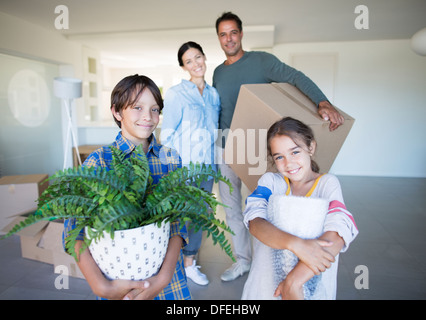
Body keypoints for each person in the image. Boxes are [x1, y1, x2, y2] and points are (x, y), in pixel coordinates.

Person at [212, 11, 345, 282]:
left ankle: (270, 263)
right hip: (225, 148)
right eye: (223, 34)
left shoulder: (261, 61)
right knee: (231, 208)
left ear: (241, 33)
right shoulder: (217, 72)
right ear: (219, 38)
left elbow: (295, 76)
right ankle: (243, 261)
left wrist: (322, 101)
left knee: (265, 207)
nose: (229, 38)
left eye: (233, 32)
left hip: (254, 149)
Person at [63, 74, 191, 300]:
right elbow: (74, 229)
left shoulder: (170, 159)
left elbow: (178, 222)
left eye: (154, 109)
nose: (148, 117)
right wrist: (100, 286)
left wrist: (162, 278)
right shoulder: (99, 162)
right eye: (137, 107)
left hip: (169, 284)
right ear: (117, 111)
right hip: (118, 285)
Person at [241, 117, 358, 299]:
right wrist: (297, 245)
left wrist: (293, 282)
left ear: (311, 147)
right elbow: (255, 222)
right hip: (266, 287)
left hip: (309, 286)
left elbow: (339, 231)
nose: (288, 163)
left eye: (295, 152)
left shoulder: (326, 184)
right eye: (279, 157)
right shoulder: (271, 182)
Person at [160, 41, 221, 286]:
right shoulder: (176, 94)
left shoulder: (214, 94)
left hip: (207, 167)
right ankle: (169, 263)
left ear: (204, 57)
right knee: (178, 216)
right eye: (189, 61)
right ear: (183, 67)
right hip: (183, 168)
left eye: (198, 57)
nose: (196, 64)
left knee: (199, 216)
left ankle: (189, 264)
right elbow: (167, 134)